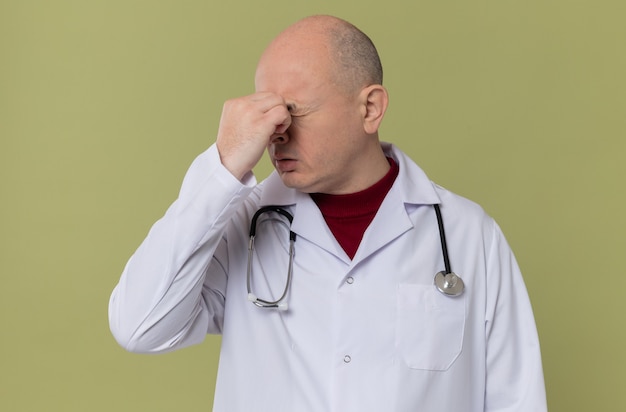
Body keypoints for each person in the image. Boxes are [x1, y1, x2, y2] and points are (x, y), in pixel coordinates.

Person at [109, 15, 547, 411]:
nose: (275, 132)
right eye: (266, 112)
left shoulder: (469, 235)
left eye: (294, 111)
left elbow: (517, 398)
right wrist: (222, 167)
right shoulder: (240, 222)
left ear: (370, 108)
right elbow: (140, 326)